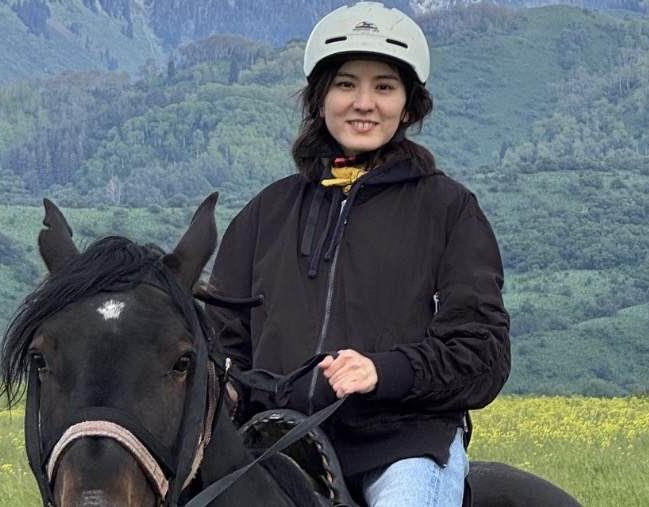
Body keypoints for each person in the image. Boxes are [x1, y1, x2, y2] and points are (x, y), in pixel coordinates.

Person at [205, 2, 510, 505]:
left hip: (403, 443)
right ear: (320, 98)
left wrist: (383, 371)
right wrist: (230, 390)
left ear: (409, 106)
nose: (363, 103)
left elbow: (484, 352)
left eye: (384, 87)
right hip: (275, 443)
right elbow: (223, 338)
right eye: (346, 84)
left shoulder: (448, 208)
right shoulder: (267, 211)